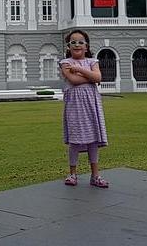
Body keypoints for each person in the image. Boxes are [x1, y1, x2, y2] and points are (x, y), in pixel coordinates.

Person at [60, 29, 109, 188]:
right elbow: (73, 80)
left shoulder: (92, 61)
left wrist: (80, 69)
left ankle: (95, 175)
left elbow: (98, 77)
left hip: (91, 105)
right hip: (75, 106)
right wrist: (89, 77)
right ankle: (72, 173)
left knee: (93, 140)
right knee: (75, 140)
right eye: (73, 42)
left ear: (86, 46)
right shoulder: (65, 63)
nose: (77, 45)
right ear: (68, 46)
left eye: (80, 42)